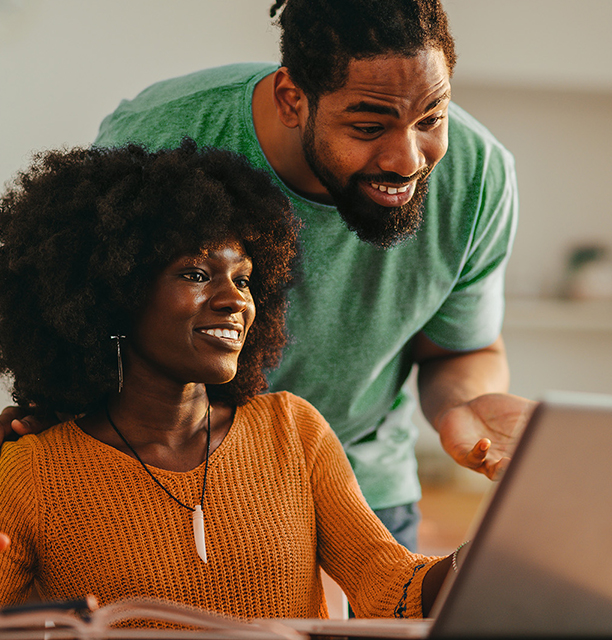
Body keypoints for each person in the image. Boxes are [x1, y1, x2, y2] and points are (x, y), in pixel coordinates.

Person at [0, 0, 536, 551]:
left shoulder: (479, 177)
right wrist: (53, 416)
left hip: (364, 486)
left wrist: (462, 407)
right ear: (292, 99)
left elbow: (456, 350)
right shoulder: (166, 134)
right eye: (369, 125)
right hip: (164, 480)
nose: (407, 159)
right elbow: (79, 310)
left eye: (432, 119)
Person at [0, 140, 456, 619]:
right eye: (197, 274)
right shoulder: (34, 471)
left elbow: (391, 587)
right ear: (116, 294)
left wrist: (491, 550)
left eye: (243, 279)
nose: (235, 300)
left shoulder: (292, 431)